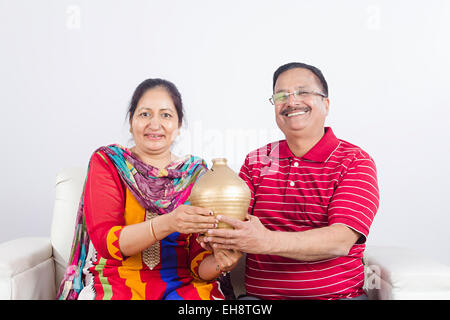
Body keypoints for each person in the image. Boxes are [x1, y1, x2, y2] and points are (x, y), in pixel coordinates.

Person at [202, 62, 379, 300]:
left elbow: (340, 241)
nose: (291, 101)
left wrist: (265, 241)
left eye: (303, 92)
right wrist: (216, 239)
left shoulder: (355, 161)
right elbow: (235, 225)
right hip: (261, 301)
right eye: (281, 96)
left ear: (326, 104)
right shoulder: (256, 161)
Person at [57, 78, 241, 300]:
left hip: (183, 284)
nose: (155, 124)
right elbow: (106, 242)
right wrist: (169, 222)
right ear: (131, 120)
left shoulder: (195, 173)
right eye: (145, 114)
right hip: (118, 280)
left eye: (166, 115)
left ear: (179, 125)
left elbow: (198, 263)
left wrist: (220, 262)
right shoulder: (109, 162)